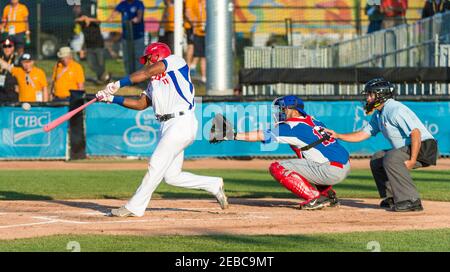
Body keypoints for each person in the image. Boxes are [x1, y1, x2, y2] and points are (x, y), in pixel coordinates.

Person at [95, 42, 228, 217]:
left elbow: (146, 72)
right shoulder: (154, 84)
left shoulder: (175, 61)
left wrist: (119, 83)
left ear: (157, 56)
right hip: (166, 125)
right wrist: (111, 99)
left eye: (149, 58)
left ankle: (135, 206)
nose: (147, 63)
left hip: (181, 121)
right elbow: (140, 104)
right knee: (172, 176)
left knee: (155, 165)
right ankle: (213, 184)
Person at [212, 95, 351, 210]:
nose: (281, 112)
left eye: (284, 109)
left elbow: (261, 135)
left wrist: (233, 135)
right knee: (305, 156)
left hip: (330, 170)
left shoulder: (291, 126)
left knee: (277, 167)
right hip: (343, 164)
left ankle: (316, 197)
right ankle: (328, 195)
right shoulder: (314, 121)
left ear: (295, 111)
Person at [324, 78, 438, 212]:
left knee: (391, 157)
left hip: (424, 147)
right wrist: (338, 135)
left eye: (370, 94)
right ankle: (392, 198)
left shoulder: (395, 109)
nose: (367, 97)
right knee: (378, 158)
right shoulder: (379, 114)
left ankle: (411, 200)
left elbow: (416, 133)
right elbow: (363, 134)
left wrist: (412, 160)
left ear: (380, 95)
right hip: (411, 147)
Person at [108, 0, 146, 74]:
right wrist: (111, 18)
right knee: (127, 58)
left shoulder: (139, 3)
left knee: (139, 58)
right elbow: (113, 15)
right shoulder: (122, 4)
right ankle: (129, 77)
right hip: (126, 36)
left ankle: (139, 77)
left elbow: (139, 18)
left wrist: (134, 20)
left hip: (138, 36)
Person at [75, 7, 111, 84]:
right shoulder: (82, 24)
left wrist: (89, 19)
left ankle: (102, 79)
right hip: (89, 47)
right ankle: (105, 75)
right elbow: (76, 20)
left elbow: (99, 21)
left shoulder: (94, 23)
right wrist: (83, 19)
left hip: (99, 46)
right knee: (91, 65)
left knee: (101, 64)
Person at [185, 0, 206, 83]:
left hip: (200, 28)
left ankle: (193, 66)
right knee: (192, 46)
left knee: (201, 52)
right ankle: (189, 66)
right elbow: (188, 12)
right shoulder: (191, 2)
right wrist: (194, 23)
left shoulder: (201, 3)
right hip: (193, 27)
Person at [0, 37, 18, 102]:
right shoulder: (1, 57)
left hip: (13, 92)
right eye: (5, 46)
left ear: (13, 47)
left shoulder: (17, 59)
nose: (7, 48)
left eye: (9, 46)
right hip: (1, 91)